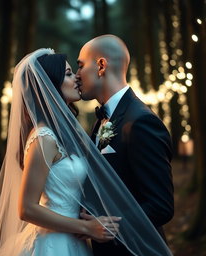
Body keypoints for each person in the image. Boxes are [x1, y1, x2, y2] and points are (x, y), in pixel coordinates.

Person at [0, 48, 173, 256]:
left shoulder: (71, 132)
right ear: (50, 85)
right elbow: (26, 208)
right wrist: (87, 227)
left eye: (77, 68)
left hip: (77, 240)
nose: (77, 77)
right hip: (54, 243)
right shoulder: (44, 138)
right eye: (69, 73)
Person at [76, 34, 174, 256]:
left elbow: (161, 206)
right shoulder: (103, 119)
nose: (77, 75)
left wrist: (108, 226)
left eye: (80, 66)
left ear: (101, 65)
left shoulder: (141, 122)